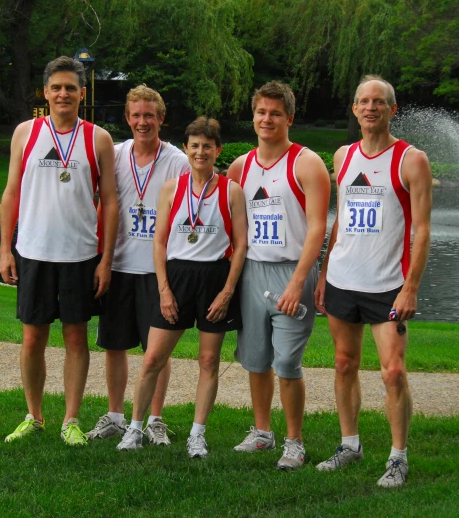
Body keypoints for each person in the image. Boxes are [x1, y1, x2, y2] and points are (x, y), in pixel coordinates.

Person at [314, 75, 432, 488]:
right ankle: (350, 445)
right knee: (344, 364)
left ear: (391, 109)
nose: (370, 108)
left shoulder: (411, 159)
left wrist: (411, 286)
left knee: (393, 372)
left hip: (388, 285)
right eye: (363, 101)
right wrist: (325, 272)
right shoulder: (343, 155)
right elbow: (341, 220)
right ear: (354, 109)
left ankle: (398, 458)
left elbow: (422, 230)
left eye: (378, 102)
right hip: (344, 278)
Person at [0, 56, 118, 446]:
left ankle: (70, 420)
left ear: (82, 94)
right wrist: (5, 248)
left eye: (71, 87)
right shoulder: (26, 133)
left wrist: (105, 259)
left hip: (80, 255)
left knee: (75, 338)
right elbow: (11, 193)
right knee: (32, 338)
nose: (63, 93)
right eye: (56, 87)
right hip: (33, 250)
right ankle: (34, 416)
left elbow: (111, 201)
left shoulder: (98, 139)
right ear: (46, 92)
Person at [116, 117, 248, 458]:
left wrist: (228, 291)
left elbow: (241, 245)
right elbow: (159, 242)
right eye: (194, 146)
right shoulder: (172, 189)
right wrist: (163, 289)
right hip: (177, 278)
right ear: (186, 149)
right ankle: (134, 429)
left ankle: (197, 434)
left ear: (217, 150)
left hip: (215, 278)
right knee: (152, 359)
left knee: (208, 360)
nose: (200, 152)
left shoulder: (231, 190)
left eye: (207, 146)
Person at [226, 81, 331, 470]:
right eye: (260, 112)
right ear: (253, 116)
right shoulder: (241, 167)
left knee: (287, 362)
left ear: (289, 118)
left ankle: (295, 442)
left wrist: (297, 282)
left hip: (292, 271)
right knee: (255, 359)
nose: (266, 119)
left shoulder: (306, 162)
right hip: (253, 270)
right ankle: (262, 432)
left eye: (274, 113)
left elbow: (317, 228)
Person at [85, 85, 189, 445]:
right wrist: (102, 258)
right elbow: (100, 206)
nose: (142, 122)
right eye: (136, 115)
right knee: (114, 344)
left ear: (161, 118)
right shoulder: (114, 155)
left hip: (158, 270)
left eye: (149, 115)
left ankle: (155, 419)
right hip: (119, 263)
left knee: (155, 351)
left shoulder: (177, 161)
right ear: (127, 118)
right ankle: (115, 415)